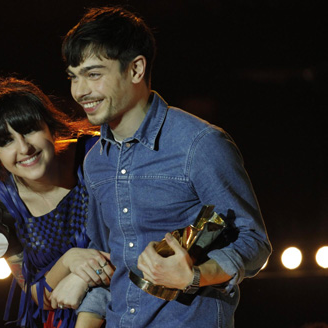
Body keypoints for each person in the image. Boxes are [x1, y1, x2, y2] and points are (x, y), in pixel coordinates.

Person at [61, 6, 272, 327]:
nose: (80, 91)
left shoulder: (199, 143)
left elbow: (254, 241)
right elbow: (107, 260)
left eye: (94, 74)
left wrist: (195, 276)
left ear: (135, 69)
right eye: (74, 77)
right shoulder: (95, 161)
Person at [0, 77, 113, 328]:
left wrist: (85, 276)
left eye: (29, 130)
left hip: (131, 302)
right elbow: (40, 298)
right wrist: (70, 260)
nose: (24, 148)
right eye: (6, 141)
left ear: (50, 127)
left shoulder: (101, 155)